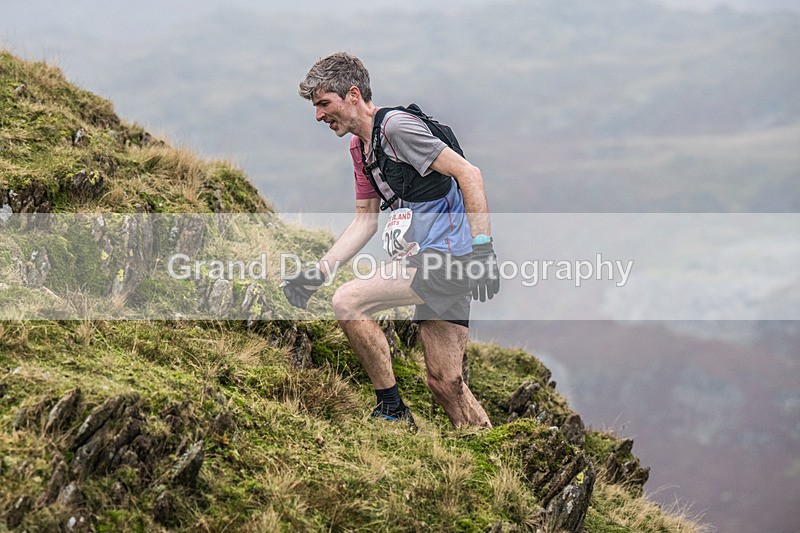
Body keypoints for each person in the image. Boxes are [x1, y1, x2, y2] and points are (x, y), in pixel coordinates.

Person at [285, 52, 499, 428]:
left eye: (323, 104)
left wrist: (483, 252)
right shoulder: (360, 149)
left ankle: (392, 409)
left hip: (448, 259)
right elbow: (365, 222)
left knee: (347, 302)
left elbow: (470, 174)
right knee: (444, 381)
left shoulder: (396, 129)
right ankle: (495, 460)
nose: (318, 116)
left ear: (353, 94)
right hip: (430, 259)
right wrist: (317, 273)